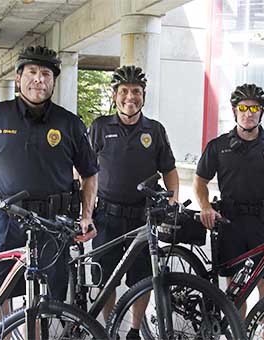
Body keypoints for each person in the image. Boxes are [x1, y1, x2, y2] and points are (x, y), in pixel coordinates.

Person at [0, 45, 98, 305]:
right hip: (7, 222)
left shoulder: (71, 124)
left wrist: (86, 216)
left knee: (48, 300)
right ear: (18, 78)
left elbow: (90, 174)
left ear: (53, 82)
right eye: (32, 72)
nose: (39, 79)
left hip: (54, 225)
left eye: (46, 74)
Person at [194, 83, 264, 338]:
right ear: (235, 111)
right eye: (243, 108)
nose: (248, 113)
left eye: (254, 108)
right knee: (236, 287)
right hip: (231, 224)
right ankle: (239, 335)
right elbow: (199, 182)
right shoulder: (219, 146)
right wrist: (206, 207)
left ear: (261, 112)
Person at [87, 65, 179, 340]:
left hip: (144, 218)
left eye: (136, 91)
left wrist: (173, 201)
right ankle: (111, 329)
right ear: (114, 95)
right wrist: (84, 208)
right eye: (124, 91)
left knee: (143, 278)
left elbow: (170, 170)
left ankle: (135, 330)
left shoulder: (155, 129)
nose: (131, 97)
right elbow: (84, 170)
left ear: (143, 95)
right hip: (106, 216)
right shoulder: (100, 127)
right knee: (107, 279)